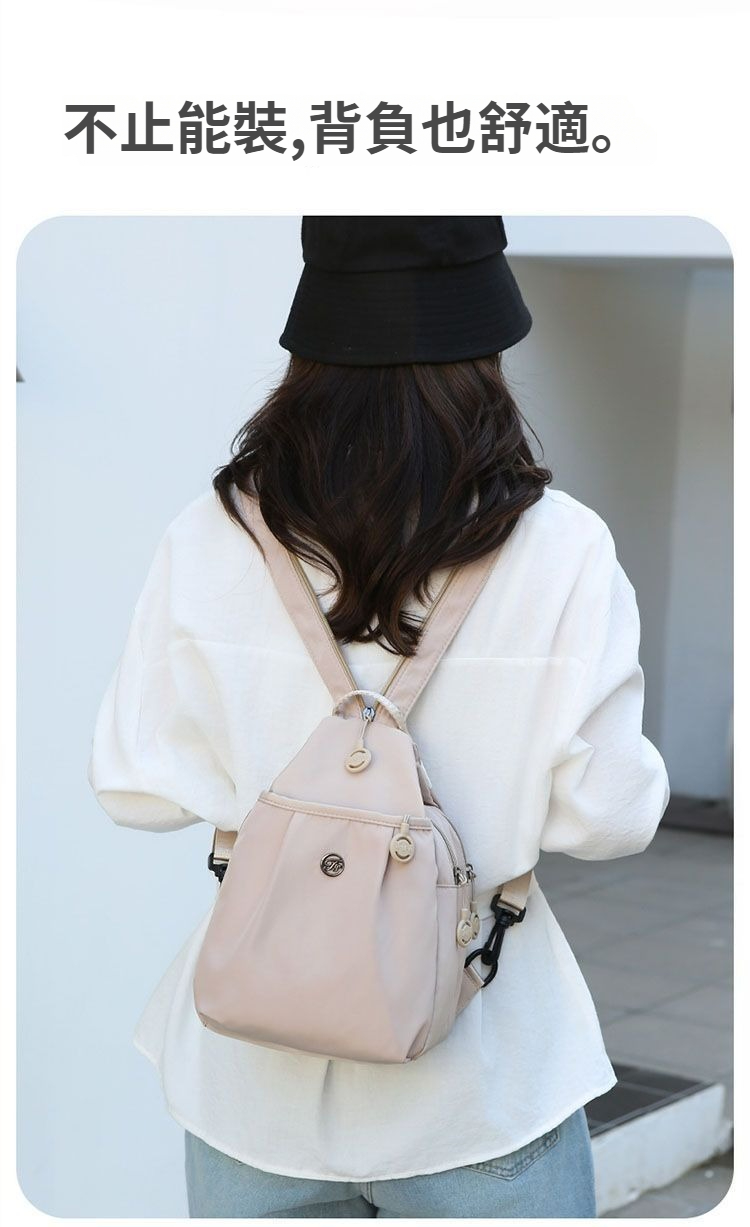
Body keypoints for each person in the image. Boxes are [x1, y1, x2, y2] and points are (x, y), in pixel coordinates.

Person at [88, 216, 670, 1218]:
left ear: (310, 352)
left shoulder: (211, 532)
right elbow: (607, 818)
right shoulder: (561, 546)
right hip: (481, 1072)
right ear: (485, 351)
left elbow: (136, 789)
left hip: (248, 1078)